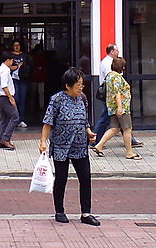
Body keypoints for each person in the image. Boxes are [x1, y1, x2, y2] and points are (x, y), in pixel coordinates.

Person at [39, 67, 99, 226]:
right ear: (68, 85)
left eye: (82, 84)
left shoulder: (82, 98)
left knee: (85, 179)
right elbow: (48, 122)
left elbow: (84, 120)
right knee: (61, 178)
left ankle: (86, 213)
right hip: (61, 146)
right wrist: (43, 142)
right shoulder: (56, 100)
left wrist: (89, 132)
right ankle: (59, 211)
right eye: (78, 85)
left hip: (80, 145)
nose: (81, 87)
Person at [91, 57, 141, 160]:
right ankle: (129, 152)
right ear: (122, 67)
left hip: (112, 107)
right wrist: (120, 107)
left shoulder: (109, 76)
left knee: (115, 128)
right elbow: (117, 92)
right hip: (121, 107)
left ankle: (99, 145)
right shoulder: (117, 77)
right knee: (127, 129)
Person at [0, 51, 19, 150]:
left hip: (1, 97)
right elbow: (4, 86)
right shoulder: (4, 70)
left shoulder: (2, 69)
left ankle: (1, 140)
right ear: (8, 60)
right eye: (12, 60)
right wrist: (10, 97)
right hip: (5, 97)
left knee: (4, 119)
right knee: (15, 117)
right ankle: (6, 138)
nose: (12, 62)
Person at [10, 40, 31, 127]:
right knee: (16, 99)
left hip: (23, 79)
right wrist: (17, 66)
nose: (17, 47)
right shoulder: (10, 56)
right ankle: (14, 118)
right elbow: (7, 66)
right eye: (15, 45)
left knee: (22, 100)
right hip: (13, 80)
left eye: (18, 45)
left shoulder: (25, 56)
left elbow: (30, 66)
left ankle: (21, 119)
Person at [30, 43, 47, 115]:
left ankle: (40, 106)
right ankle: (33, 106)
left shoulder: (42, 58)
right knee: (34, 93)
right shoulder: (33, 58)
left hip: (39, 78)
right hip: (35, 78)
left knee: (40, 93)